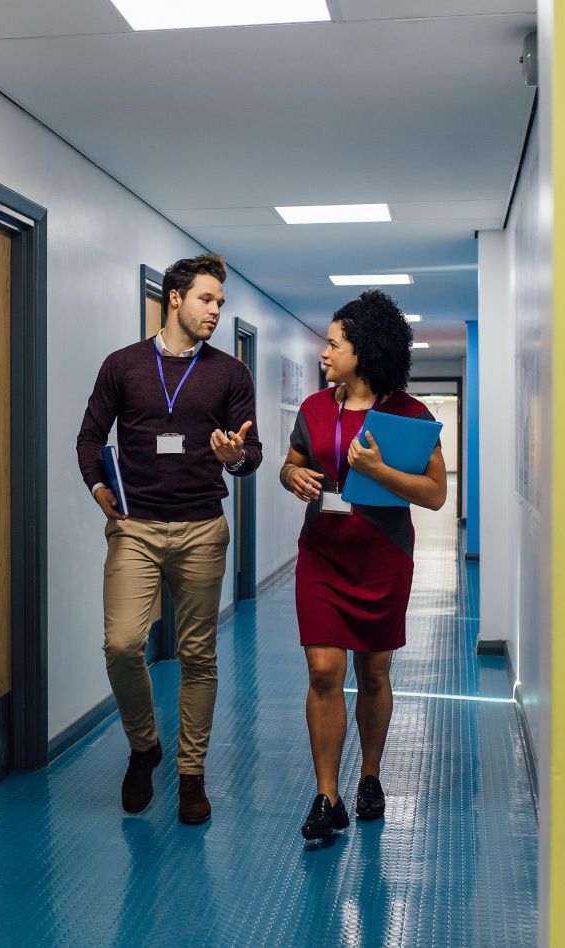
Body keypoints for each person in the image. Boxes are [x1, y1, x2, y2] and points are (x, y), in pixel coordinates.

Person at [77, 253, 262, 825]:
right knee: (123, 645)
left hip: (202, 529)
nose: (215, 311)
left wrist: (236, 459)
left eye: (221, 304)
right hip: (134, 529)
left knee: (196, 655)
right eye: (207, 299)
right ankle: (143, 747)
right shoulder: (123, 365)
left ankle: (190, 773)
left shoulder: (231, 373)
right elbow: (89, 436)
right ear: (174, 298)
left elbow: (251, 453)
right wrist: (97, 485)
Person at [280, 289, 446, 840]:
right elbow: (292, 463)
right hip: (323, 553)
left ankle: (369, 776)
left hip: (382, 556)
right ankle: (327, 795)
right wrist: (293, 477)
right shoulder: (313, 409)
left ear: (364, 350)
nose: (324, 352)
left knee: (372, 671)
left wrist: (379, 471)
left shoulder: (409, 414)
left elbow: (435, 494)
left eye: (333, 344)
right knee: (323, 670)